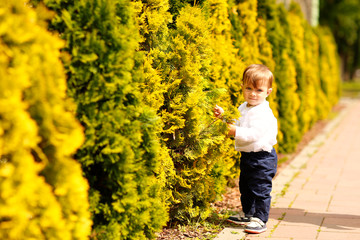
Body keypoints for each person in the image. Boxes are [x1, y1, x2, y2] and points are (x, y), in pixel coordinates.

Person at [213, 64, 278, 234]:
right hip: (248, 156)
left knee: (260, 188)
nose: (253, 93)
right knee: (246, 186)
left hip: (263, 157)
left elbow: (254, 134)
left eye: (259, 90)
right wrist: (224, 117)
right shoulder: (244, 107)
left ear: (267, 92)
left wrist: (234, 131)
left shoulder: (262, 112)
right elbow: (237, 122)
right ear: (242, 87)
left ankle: (260, 218)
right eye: (249, 88)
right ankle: (249, 213)